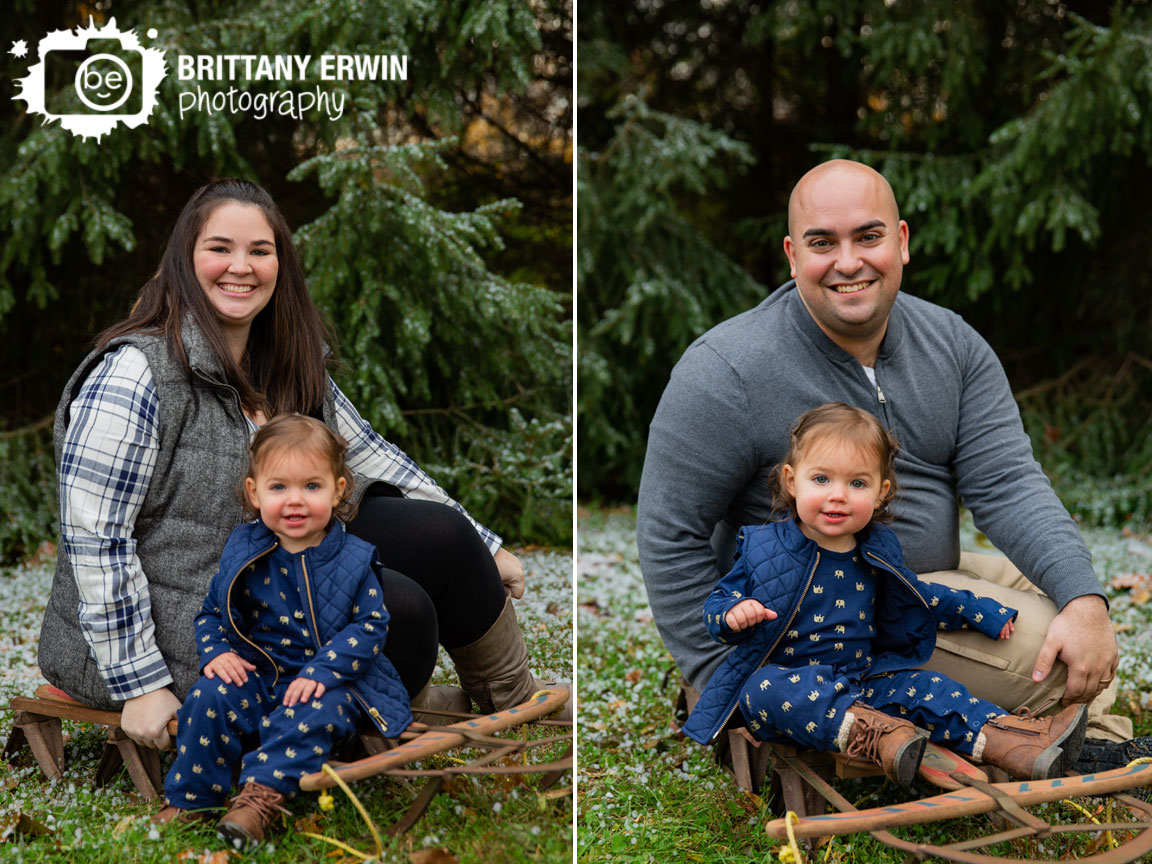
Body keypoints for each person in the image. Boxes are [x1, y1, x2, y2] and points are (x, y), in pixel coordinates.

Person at [41, 178, 567, 755]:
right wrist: (139, 681)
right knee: (400, 609)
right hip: (191, 621)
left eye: (259, 251)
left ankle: (516, 706)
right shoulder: (135, 374)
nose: (240, 266)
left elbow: (370, 453)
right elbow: (95, 538)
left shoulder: (285, 362)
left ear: (279, 264)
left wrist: (484, 547)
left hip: (278, 571)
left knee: (443, 535)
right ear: (185, 260)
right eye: (220, 248)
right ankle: (368, 713)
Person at [637, 159, 1131, 753]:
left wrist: (1083, 600)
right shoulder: (726, 371)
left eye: (868, 236)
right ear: (793, 256)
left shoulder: (952, 343)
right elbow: (670, 533)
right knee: (1048, 650)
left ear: (899, 243)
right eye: (824, 243)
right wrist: (727, 676)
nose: (849, 262)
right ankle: (1064, 723)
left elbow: (1006, 483)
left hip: (921, 571)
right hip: (829, 615)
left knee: (1078, 597)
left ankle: (1094, 740)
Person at [681, 403, 1088, 784]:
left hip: (863, 681)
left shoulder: (875, 553)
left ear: (880, 493)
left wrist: (982, 612)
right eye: (821, 479)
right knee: (762, 689)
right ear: (791, 480)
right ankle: (875, 736)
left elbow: (920, 595)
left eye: (857, 483)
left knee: (930, 689)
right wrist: (734, 613)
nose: (838, 495)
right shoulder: (763, 547)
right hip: (791, 687)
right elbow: (719, 603)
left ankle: (1014, 742)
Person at [153, 414, 411, 844]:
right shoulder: (244, 548)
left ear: (338, 490)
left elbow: (370, 626)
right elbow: (210, 614)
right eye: (279, 487)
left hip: (333, 683)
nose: (295, 501)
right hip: (261, 675)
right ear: (255, 493)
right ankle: (193, 798)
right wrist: (217, 652)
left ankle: (259, 800)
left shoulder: (355, 558)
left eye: (312, 486)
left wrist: (322, 671)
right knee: (208, 693)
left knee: (314, 714)